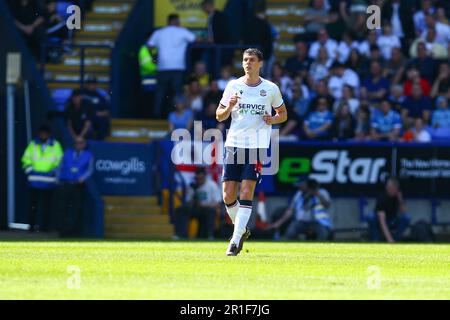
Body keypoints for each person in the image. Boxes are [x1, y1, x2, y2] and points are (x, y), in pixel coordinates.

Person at [216, 48, 288, 256]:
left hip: (256, 146)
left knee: (246, 192)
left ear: (260, 64)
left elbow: (282, 114)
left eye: (252, 60)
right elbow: (219, 116)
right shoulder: (233, 86)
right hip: (233, 144)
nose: (247, 63)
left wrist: (272, 119)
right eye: (245, 60)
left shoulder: (270, 88)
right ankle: (242, 229)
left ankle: (235, 240)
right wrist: (228, 108)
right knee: (228, 195)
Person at [147, 14, 196, 118]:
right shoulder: (182, 31)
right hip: (177, 68)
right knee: (176, 93)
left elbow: (150, 45)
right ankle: (176, 115)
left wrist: (154, 58)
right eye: (178, 21)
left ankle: (156, 115)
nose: (179, 23)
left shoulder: (159, 32)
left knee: (160, 93)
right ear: (174, 21)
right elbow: (195, 39)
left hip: (162, 67)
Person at [21, 124, 63, 232]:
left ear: (48, 134)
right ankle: (31, 227)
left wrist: (53, 172)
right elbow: (25, 159)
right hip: (34, 181)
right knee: (33, 206)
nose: (43, 135)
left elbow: (60, 162)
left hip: (48, 182)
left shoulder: (55, 145)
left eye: (45, 133)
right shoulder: (33, 144)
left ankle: (45, 228)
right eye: (41, 133)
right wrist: (30, 171)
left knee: (47, 207)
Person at [270, 177, 332, 241]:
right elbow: (290, 210)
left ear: (306, 185)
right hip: (301, 222)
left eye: (301, 185)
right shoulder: (299, 194)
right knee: (290, 233)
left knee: (323, 235)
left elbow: (327, 205)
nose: (299, 187)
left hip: (318, 221)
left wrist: (317, 193)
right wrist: (278, 223)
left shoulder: (322, 192)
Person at [57, 137, 94, 237]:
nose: (79, 144)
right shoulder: (67, 153)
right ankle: (62, 232)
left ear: (84, 144)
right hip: (65, 183)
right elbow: (60, 166)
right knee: (63, 209)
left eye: (81, 142)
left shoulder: (88, 154)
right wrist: (58, 179)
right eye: (77, 142)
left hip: (78, 185)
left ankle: (73, 232)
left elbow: (90, 170)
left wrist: (83, 178)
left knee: (75, 209)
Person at [173, 168, 221, 240]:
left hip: (206, 209)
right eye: (197, 179)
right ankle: (180, 234)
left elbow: (217, 203)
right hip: (195, 208)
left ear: (204, 176)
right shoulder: (192, 186)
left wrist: (203, 204)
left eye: (200, 178)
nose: (198, 181)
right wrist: (193, 200)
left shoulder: (212, 185)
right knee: (181, 210)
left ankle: (210, 235)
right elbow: (188, 201)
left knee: (211, 212)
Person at [367, 177, 410, 243]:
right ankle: (376, 240)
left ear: (396, 189)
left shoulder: (398, 197)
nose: (390, 190)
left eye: (393, 189)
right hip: (379, 221)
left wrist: (400, 199)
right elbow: (382, 220)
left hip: (392, 220)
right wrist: (389, 239)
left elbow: (404, 212)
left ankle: (396, 239)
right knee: (371, 216)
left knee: (407, 217)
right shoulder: (382, 197)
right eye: (389, 188)